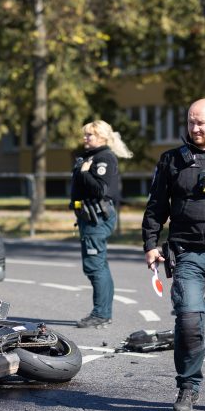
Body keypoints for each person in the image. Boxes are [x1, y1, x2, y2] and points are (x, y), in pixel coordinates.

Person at [142, 98, 205, 411]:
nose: (195, 128)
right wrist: (150, 243)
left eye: (201, 122)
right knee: (188, 323)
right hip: (187, 255)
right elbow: (157, 205)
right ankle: (188, 386)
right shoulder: (172, 160)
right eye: (190, 122)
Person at [70, 120, 133, 328]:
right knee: (98, 266)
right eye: (85, 134)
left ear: (102, 137)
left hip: (96, 219)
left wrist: (85, 172)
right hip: (89, 219)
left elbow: (101, 190)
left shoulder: (104, 157)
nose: (85, 138)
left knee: (95, 266)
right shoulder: (91, 157)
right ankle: (103, 312)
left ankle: (101, 313)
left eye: (90, 135)